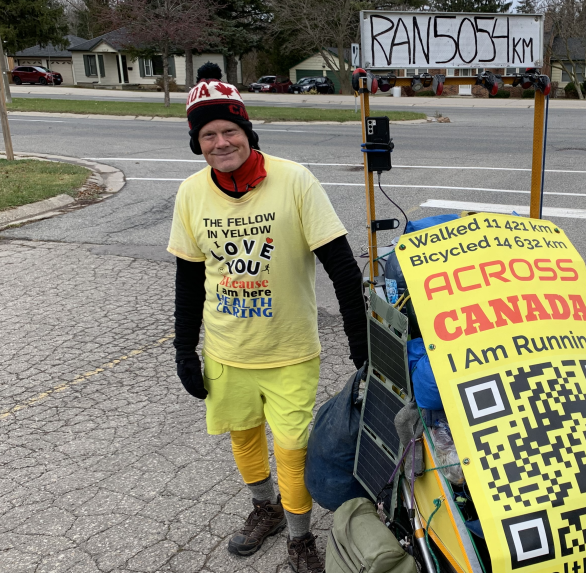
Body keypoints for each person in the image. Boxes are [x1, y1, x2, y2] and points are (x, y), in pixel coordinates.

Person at [167, 63, 367, 572]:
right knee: (243, 436)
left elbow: (342, 267)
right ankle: (266, 510)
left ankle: (300, 537)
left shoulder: (294, 180)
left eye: (229, 131)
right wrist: (182, 348)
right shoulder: (191, 193)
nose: (220, 142)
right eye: (207, 135)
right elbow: (188, 279)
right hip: (226, 349)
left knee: (293, 449)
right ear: (198, 142)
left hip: (289, 349)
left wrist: (360, 342)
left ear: (247, 133)